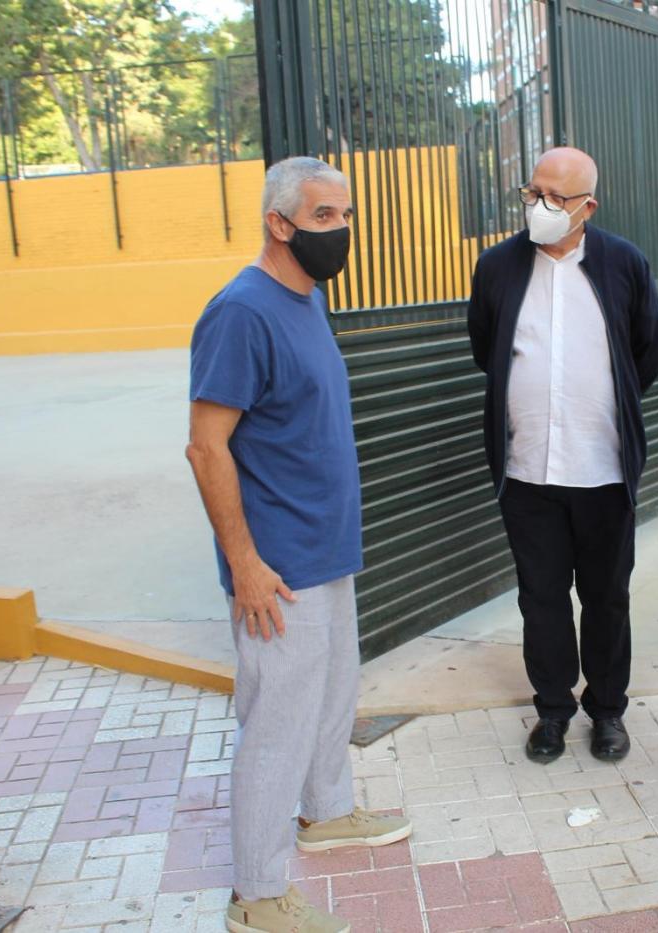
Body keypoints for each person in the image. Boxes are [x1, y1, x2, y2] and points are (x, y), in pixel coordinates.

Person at [186, 156, 412, 933]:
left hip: (327, 547)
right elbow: (206, 447)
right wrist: (245, 565)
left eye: (345, 215)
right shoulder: (240, 312)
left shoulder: (306, 297)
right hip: (278, 567)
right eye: (323, 217)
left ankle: (327, 811)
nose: (340, 230)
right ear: (277, 223)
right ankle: (255, 895)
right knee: (276, 725)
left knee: (331, 694)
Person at [467, 147, 658, 764]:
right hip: (527, 471)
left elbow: (648, 353)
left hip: (602, 469)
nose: (540, 206)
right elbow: (485, 348)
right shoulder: (497, 266)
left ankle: (607, 711)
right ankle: (552, 710)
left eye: (555, 198)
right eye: (533, 193)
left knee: (607, 599)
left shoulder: (623, 263)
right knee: (541, 599)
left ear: (588, 206)